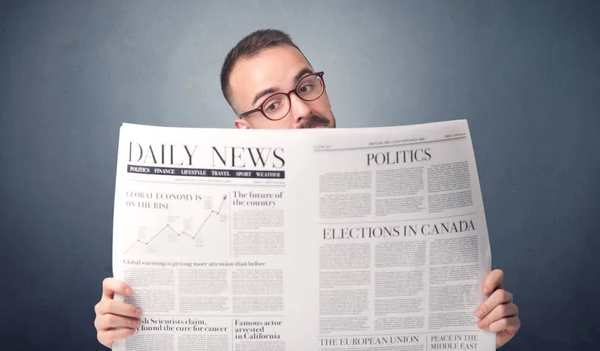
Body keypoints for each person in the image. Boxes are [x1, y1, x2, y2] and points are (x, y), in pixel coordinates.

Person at [94, 29, 520, 348]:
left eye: (306, 86)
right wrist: (127, 333)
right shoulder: (201, 231)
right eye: (273, 104)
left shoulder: (406, 199)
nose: (301, 110)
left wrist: (483, 335)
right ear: (244, 130)